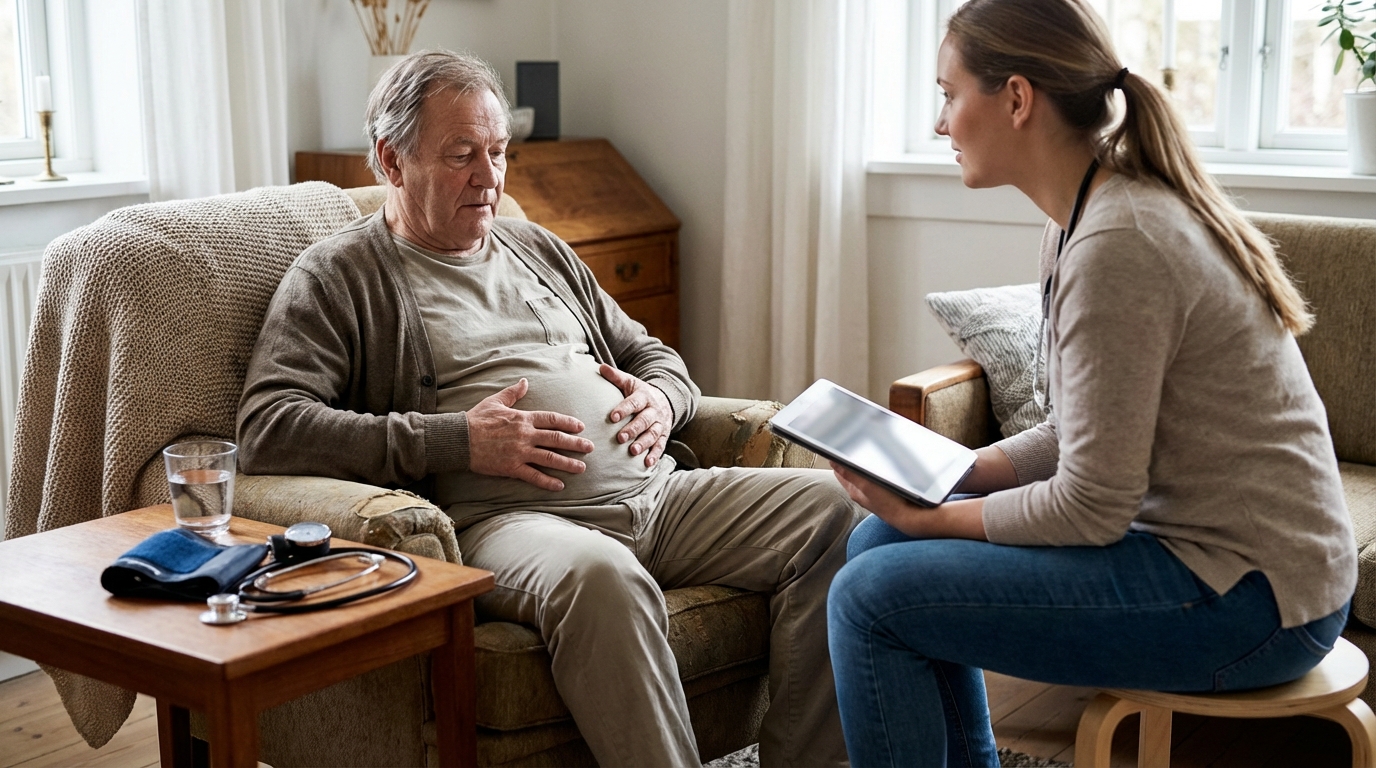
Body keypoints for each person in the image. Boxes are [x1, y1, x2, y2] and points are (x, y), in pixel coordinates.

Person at [237, 50, 861, 768]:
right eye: (461, 154)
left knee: (839, 509)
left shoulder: (538, 247)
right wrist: (459, 442)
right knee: (603, 577)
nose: (490, 177)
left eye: (498, 152)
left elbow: (653, 353)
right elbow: (269, 427)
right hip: (507, 523)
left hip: (659, 496)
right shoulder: (340, 276)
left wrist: (662, 397)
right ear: (391, 159)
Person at [824, 1, 1358, 766]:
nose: (940, 123)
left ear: (1016, 98)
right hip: (1204, 561)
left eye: (948, 95)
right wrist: (949, 473)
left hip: (1258, 603)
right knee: (873, 538)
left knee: (870, 598)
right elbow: (1080, 433)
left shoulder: (1121, 242)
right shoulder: (1081, 218)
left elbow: (1093, 504)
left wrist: (933, 521)